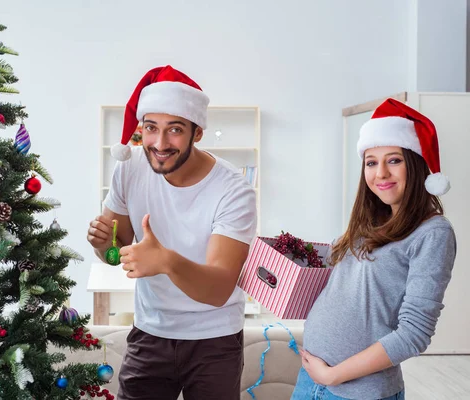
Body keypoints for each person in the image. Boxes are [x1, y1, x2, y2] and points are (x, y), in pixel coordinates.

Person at [86, 65, 257, 399]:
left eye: (174, 130)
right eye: (151, 128)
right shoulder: (130, 168)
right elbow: (114, 255)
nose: (160, 143)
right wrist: (103, 244)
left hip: (215, 338)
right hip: (151, 331)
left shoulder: (234, 190)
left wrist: (165, 261)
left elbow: (219, 288)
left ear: (197, 132)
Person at [291, 98, 456, 400]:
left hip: (357, 392)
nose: (380, 173)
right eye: (371, 162)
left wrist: (333, 375)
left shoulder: (432, 233)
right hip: (311, 380)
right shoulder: (370, 223)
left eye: (393, 160)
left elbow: (414, 334)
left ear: (416, 165)